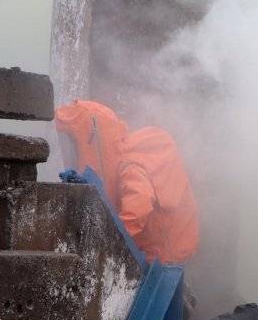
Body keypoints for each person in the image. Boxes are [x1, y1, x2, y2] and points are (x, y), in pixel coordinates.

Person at [54, 99, 199, 265]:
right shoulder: (118, 160)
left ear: (92, 139)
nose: (72, 149)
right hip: (155, 254)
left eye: (74, 142)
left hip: (165, 260)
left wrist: (107, 243)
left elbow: (139, 205)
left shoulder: (129, 164)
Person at [116, 125, 200, 264]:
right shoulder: (161, 157)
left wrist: (113, 237)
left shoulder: (131, 164)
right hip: (182, 244)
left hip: (159, 256)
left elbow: (138, 205)